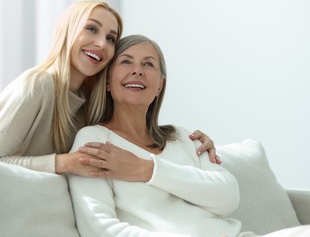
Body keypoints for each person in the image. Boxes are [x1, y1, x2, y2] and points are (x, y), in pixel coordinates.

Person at [67, 35, 310, 236]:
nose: (138, 71)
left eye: (148, 64)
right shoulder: (94, 140)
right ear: (108, 81)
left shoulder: (182, 137)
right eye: (126, 62)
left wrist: (146, 169)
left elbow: (227, 197)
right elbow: (98, 229)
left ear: (160, 85)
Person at [0, 0, 218, 180]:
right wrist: (63, 163)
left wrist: (189, 143)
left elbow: (132, 136)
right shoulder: (40, 84)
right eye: (91, 29)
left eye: (110, 38)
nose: (100, 43)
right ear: (68, 31)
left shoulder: (91, 103)